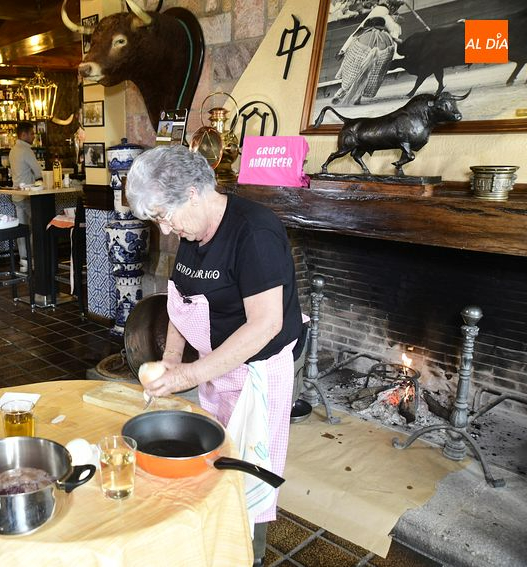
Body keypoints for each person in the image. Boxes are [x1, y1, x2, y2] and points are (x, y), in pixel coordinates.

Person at [125, 145, 304, 567]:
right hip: (217, 368)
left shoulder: (253, 232)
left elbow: (265, 325)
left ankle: (247, 554)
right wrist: (172, 358)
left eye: (165, 216)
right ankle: (214, 546)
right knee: (218, 462)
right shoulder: (193, 230)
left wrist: (190, 375)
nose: (166, 231)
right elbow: (181, 300)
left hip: (257, 372)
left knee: (249, 474)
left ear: (192, 192)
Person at [332, 1, 403, 106]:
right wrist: (397, 25)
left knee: (354, 36)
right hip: (381, 34)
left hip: (367, 29)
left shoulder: (376, 11)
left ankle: (343, 51)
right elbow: (393, 28)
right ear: (391, 7)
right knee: (395, 31)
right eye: (395, 7)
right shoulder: (385, 13)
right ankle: (395, 54)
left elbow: (361, 23)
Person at [8, 121, 42, 271]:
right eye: (32, 133)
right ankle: (34, 259)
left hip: (16, 195)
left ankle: (24, 261)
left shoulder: (13, 150)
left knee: (22, 229)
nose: (34, 136)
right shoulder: (26, 150)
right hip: (28, 195)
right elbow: (39, 172)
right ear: (24, 134)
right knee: (36, 226)